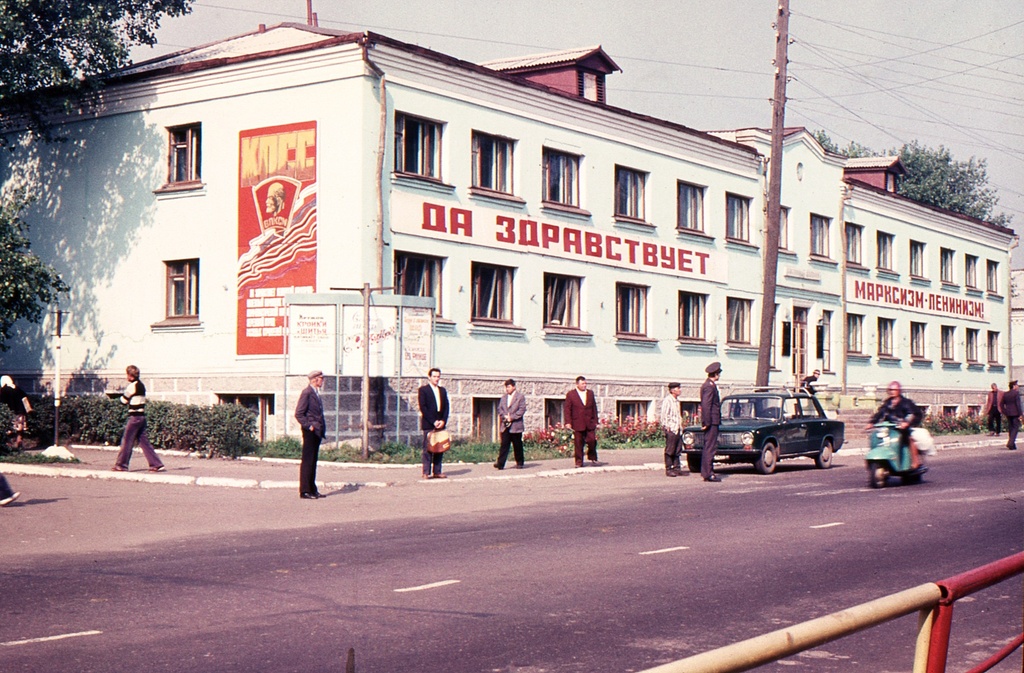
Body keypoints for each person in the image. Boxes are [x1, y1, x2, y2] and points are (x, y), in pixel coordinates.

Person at [112, 365, 166, 473]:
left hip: (134, 417)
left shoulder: (132, 386)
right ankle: (156, 464)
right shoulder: (141, 385)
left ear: (131, 376)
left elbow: (123, 400)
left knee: (127, 441)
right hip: (141, 417)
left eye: (127, 374)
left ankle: (121, 465)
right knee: (144, 442)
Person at [867, 381, 924, 469]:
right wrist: (872, 422)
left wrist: (907, 422)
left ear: (899, 391)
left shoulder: (906, 402)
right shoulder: (887, 403)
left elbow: (913, 413)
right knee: (877, 437)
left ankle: (915, 461)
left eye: (894, 390)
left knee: (910, 439)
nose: (891, 392)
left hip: (903, 429)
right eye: (890, 390)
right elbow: (880, 413)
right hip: (890, 428)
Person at [294, 370, 327, 498]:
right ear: (314, 380)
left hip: (317, 431)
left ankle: (312, 489)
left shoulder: (315, 392)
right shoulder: (307, 393)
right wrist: (309, 426)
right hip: (310, 432)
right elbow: (299, 413)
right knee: (308, 461)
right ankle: (305, 491)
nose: (322, 381)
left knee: (313, 460)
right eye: (321, 378)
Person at [418, 367, 450, 479]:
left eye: (438, 377)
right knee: (428, 448)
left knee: (439, 448)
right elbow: (423, 407)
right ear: (429, 377)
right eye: (434, 376)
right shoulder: (423, 390)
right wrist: (433, 421)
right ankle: (426, 472)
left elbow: (446, 407)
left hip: (440, 424)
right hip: (429, 424)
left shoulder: (442, 390)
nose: (436, 379)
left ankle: (437, 471)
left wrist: (443, 420)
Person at [564, 375, 603, 468]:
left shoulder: (590, 393)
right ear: (577, 384)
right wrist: (568, 422)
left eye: (585, 383)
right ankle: (579, 462)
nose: (584, 385)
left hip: (589, 422)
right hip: (577, 423)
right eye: (582, 384)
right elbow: (567, 409)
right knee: (578, 443)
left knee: (592, 440)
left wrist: (596, 421)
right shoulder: (571, 394)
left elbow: (594, 407)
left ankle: (593, 457)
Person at [494, 378, 526, 470]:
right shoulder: (504, 397)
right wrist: (504, 416)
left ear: (514, 387)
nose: (507, 389)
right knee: (504, 444)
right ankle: (500, 464)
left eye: (509, 387)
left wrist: (512, 417)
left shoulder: (520, 397)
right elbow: (499, 409)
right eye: (506, 387)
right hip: (505, 425)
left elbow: (522, 410)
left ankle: (519, 462)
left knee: (517, 444)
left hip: (516, 425)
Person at [699, 362, 723, 482]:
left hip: (712, 420)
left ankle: (706, 472)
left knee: (709, 446)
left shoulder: (709, 385)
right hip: (712, 421)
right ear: (716, 374)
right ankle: (708, 473)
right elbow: (706, 405)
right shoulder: (709, 386)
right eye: (719, 373)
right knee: (710, 447)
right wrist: (707, 422)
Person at [660, 382, 685, 477]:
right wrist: (667, 426)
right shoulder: (668, 400)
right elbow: (664, 414)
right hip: (671, 428)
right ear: (672, 390)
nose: (680, 390)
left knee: (678, 449)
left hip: (677, 428)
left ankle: (677, 468)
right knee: (670, 449)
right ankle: (669, 468)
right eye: (678, 388)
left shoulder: (677, 401)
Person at [1, 375, 33, 450]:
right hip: (20, 412)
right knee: (19, 428)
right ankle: (19, 441)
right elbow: (25, 398)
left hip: (10, 412)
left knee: (8, 429)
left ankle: (8, 445)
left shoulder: (3, 390)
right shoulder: (17, 389)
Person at [999, 380, 1020, 451]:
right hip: (1015, 413)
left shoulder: (1005, 394)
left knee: (1011, 428)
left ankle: (1012, 445)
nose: (1018, 386)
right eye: (1017, 385)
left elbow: (1001, 404)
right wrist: (1021, 414)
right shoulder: (1016, 393)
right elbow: (1018, 404)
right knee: (1015, 428)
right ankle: (1010, 443)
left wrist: (1004, 411)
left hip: (1008, 413)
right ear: (1014, 386)